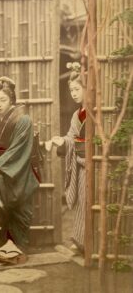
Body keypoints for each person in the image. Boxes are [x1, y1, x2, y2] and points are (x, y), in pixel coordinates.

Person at [0, 76, 39, 264]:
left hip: (19, 172)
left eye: (2, 100)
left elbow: (17, 149)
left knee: (20, 211)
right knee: (4, 212)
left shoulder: (23, 120)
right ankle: (7, 251)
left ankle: (19, 252)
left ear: (11, 99)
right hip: (2, 173)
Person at [51, 63, 86, 254]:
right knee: (82, 202)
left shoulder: (97, 113)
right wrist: (61, 140)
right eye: (71, 89)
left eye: (77, 89)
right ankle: (81, 241)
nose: (73, 93)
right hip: (81, 164)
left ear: (87, 88)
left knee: (90, 203)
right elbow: (72, 137)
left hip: (93, 163)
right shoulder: (76, 114)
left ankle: (87, 241)